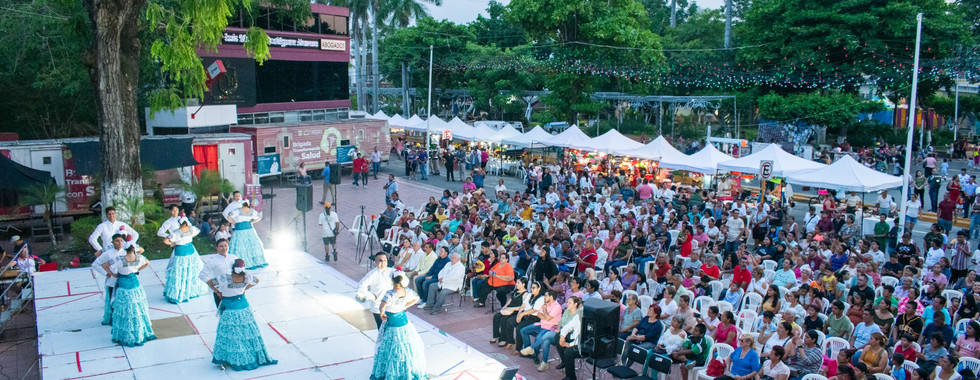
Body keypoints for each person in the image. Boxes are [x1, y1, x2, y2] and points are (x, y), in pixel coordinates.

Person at [209, 259, 277, 371]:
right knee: (248, 332)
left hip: (230, 309)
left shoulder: (225, 278)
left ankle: (231, 358)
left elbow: (211, 282)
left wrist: (218, 292)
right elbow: (257, 280)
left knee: (232, 334)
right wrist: (244, 288)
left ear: (232, 268)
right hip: (243, 307)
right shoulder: (246, 277)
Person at [370, 275, 425, 380]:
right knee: (406, 344)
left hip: (392, 321)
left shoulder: (390, 293)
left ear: (393, 282)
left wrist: (381, 313)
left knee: (390, 346)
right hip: (402, 319)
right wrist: (405, 306)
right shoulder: (407, 291)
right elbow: (417, 298)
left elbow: (382, 305)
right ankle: (405, 369)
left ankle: (392, 372)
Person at [103, 245, 155, 347]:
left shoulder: (119, 259)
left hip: (123, 287)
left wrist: (113, 274)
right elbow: (148, 262)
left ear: (125, 250)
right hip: (135, 286)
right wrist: (137, 270)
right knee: (137, 309)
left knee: (125, 311)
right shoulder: (139, 258)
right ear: (134, 249)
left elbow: (105, 265)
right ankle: (139, 334)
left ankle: (126, 335)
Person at [161, 221, 209, 303]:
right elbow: (198, 230)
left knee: (180, 272)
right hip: (188, 251)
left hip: (182, 252)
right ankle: (190, 291)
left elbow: (165, 240)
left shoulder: (176, 232)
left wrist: (173, 243)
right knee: (189, 271)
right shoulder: (189, 229)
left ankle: (180, 293)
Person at [92, 234, 132, 325]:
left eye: (121, 240)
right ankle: (113, 319)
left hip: (125, 281)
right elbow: (95, 264)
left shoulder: (126, 252)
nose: (119, 243)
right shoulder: (108, 253)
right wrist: (107, 273)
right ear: (112, 242)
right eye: (117, 240)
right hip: (112, 281)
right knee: (112, 301)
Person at [357, 253, 396, 327]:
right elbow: (360, 286)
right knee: (382, 330)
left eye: (385, 260)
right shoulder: (372, 274)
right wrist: (371, 296)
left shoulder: (392, 271)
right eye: (380, 260)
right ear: (375, 261)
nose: (383, 263)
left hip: (391, 307)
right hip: (378, 308)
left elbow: (404, 282)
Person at [227, 202, 267, 269]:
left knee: (241, 245)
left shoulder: (237, 210)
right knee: (250, 245)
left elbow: (229, 216)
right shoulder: (251, 211)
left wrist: (233, 222)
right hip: (248, 230)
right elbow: (259, 217)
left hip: (241, 230)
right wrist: (252, 222)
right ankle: (253, 262)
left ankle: (241, 262)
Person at [200, 239, 238, 308]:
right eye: (221, 246)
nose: (224, 248)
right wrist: (215, 289)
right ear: (217, 248)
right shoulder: (213, 260)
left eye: (225, 246)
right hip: (221, 292)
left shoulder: (234, 258)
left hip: (234, 290)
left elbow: (241, 273)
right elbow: (202, 275)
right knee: (223, 314)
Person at [555, 297, 584, 380]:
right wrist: (562, 336)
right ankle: (565, 361)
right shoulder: (577, 317)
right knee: (557, 336)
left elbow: (581, 338)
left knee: (568, 352)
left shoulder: (585, 320)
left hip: (581, 344)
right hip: (574, 339)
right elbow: (567, 326)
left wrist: (568, 344)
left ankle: (571, 377)